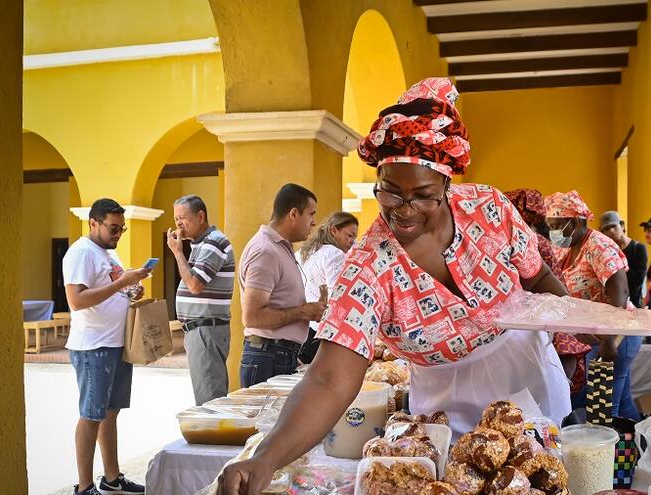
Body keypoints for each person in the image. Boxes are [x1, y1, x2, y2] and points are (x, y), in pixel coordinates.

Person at [217, 77, 571, 494]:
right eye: (389, 193)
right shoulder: (370, 264)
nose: (403, 212)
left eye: (423, 196)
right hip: (446, 410)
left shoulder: (489, 210)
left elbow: (539, 278)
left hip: (528, 379)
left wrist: (576, 320)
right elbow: (329, 378)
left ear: (447, 185)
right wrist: (266, 458)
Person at [63, 198, 150, 495]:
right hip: (93, 347)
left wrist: (130, 288)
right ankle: (85, 486)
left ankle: (111, 479)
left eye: (121, 229)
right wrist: (121, 282)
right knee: (91, 414)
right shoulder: (81, 253)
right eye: (113, 228)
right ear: (94, 223)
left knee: (109, 413)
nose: (118, 234)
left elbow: (111, 291)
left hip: (115, 345)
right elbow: (76, 300)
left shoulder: (106, 255)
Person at [544, 192, 639, 418]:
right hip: (595, 337)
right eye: (550, 226)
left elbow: (620, 288)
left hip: (614, 337)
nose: (553, 232)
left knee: (602, 410)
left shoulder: (599, 246)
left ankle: (613, 452)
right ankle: (640, 446)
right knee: (622, 406)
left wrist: (608, 338)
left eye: (557, 226)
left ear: (575, 222)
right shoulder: (568, 248)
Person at [236, 184, 328, 387]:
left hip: (278, 354)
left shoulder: (280, 248)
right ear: (294, 214)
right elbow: (252, 316)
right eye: (311, 214)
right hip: (268, 356)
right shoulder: (265, 251)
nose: (313, 223)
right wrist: (304, 312)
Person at [505, 188, 590, 393]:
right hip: (549, 324)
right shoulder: (533, 240)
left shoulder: (526, 241)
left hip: (544, 327)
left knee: (545, 398)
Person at [167, 195, 235, 405]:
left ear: (200, 216)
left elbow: (195, 285)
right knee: (207, 395)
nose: (178, 224)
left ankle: (213, 438)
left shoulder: (213, 242)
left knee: (210, 402)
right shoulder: (200, 243)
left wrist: (178, 253)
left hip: (206, 329)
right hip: (201, 329)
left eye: (183, 218)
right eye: (176, 219)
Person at [295, 211, 360, 364]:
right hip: (321, 332)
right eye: (349, 235)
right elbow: (338, 296)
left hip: (301, 328)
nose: (352, 242)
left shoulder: (304, 251)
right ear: (334, 230)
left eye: (354, 237)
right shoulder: (334, 254)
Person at [600, 211, 648, 308]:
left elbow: (638, 279)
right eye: (606, 229)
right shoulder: (607, 251)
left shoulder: (638, 248)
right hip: (614, 305)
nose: (611, 231)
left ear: (622, 225)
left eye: (614, 226)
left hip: (634, 304)